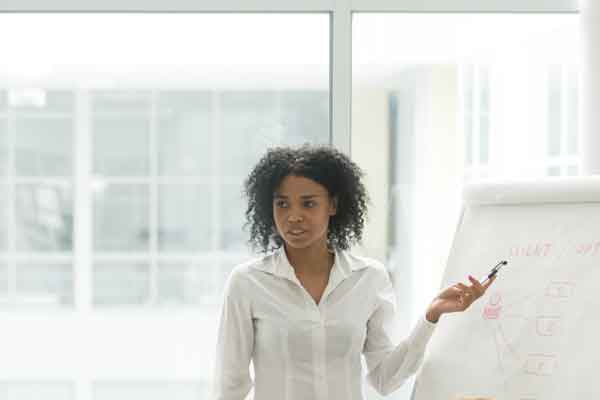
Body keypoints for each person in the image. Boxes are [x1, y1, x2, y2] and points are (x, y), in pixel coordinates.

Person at [211, 145, 494, 400]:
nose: (293, 216)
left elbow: (385, 378)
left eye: (308, 203)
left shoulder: (369, 278)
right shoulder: (248, 282)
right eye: (282, 203)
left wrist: (432, 315)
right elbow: (229, 385)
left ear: (333, 205)